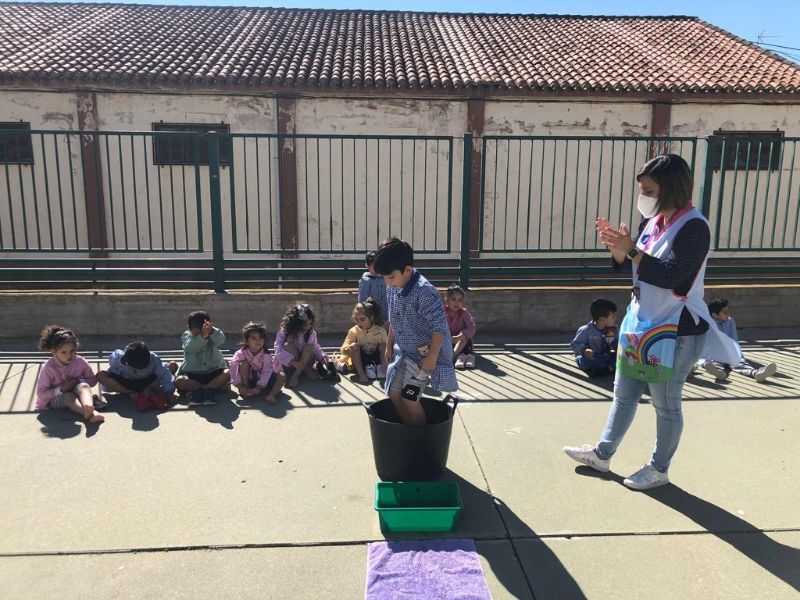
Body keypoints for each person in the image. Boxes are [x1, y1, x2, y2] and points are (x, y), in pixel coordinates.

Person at [563, 154, 740, 490]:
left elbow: (673, 276)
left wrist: (631, 251)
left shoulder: (695, 227)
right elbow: (635, 263)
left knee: (666, 404)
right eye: (641, 189)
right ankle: (602, 454)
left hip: (678, 330)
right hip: (641, 323)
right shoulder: (653, 220)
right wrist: (618, 250)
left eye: (649, 190)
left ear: (670, 188)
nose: (642, 196)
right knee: (623, 394)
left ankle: (659, 469)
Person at [374, 237, 458, 426]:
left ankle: (421, 436)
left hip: (426, 355)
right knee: (394, 393)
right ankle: (409, 430)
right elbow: (394, 318)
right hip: (405, 352)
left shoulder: (424, 292)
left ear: (407, 270)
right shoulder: (393, 287)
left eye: (391, 277)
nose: (387, 282)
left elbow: (439, 328)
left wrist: (432, 358)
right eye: (384, 277)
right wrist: (388, 346)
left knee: (410, 398)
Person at [36, 325, 105, 424]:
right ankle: (91, 413)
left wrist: (78, 381)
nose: (69, 355)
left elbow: (92, 380)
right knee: (69, 397)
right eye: (63, 352)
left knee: (84, 386)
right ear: (54, 352)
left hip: (77, 392)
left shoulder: (80, 361)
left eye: (72, 351)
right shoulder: (48, 368)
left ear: (76, 348)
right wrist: (62, 389)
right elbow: (42, 394)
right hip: (56, 398)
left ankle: (88, 405)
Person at [699, 298, 777, 383]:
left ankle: (756, 374)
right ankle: (719, 373)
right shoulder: (708, 323)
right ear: (715, 315)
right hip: (714, 353)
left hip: (730, 351)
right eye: (725, 312)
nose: (728, 314)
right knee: (714, 362)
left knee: (740, 363)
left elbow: (734, 340)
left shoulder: (730, 321)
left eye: (728, 311)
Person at [96, 341, 176, 410]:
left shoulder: (154, 358)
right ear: (127, 362)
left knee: (172, 365)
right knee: (100, 375)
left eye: (145, 367)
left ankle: (147, 393)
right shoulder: (118, 358)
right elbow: (111, 370)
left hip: (148, 382)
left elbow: (165, 376)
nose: (142, 371)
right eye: (137, 368)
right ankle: (132, 393)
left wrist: (166, 392)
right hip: (125, 383)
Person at [274, 303, 339, 388]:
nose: (307, 327)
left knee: (309, 348)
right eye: (304, 325)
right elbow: (278, 351)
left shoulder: (311, 333)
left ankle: (298, 372)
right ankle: (299, 372)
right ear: (295, 323)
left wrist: (322, 357)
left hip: (305, 360)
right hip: (290, 364)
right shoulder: (284, 333)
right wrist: (293, 362)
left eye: (309, 324)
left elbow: (316, 348)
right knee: (287, 345)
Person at [174, 311, 230, 407]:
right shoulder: (186, 336)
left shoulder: (213, 332)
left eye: (203, 331)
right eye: (198, 333)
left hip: (214, 371)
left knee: (228, 372)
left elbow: (220, 340)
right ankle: (204, 389)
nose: (202, 333)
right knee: (179, 381)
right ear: (189, 328)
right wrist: (202, 337)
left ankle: (209, 388)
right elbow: (191, 348)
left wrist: (211, 332)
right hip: (194, 374)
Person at [229, 321, 285, 404]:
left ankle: (271, 395)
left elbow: (267, 371)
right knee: (243, 364)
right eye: (253, 338)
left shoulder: (266, 355)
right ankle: (246, 389)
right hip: (248, 380)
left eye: (261, 338)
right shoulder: (241, 353)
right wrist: (239, 386)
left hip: (263, 382)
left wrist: (259, 387)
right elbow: (233, 368)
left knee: (282, 375)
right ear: (246, 341)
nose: (258, 341)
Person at [335, 298, 388, 384]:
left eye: (362, 319)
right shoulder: (353, 331)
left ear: (371, 318)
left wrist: (386, 362)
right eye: (356, 320)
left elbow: (386, 349)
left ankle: (383, 368)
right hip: (361, 359)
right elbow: (343, 349)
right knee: (354, 346)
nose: (359, 323)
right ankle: (362, 374)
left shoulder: (380, 330)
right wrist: (348, 349)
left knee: (384, 345)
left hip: (376, 358)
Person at [570, 298, 618, 377]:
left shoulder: (613, 329)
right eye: (612, 317)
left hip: (605, 356)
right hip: (592, 357)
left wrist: (619, 351)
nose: (615, 318)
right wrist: (584, 350)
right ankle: (607, 369)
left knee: (619, 359)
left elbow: (616, 344)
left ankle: (604, 370)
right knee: (583, 360)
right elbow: (575, 344)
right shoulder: (586, 330)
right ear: (602, 319)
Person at [445, 284, 477, 370]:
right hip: (448, 341)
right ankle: (457, 356)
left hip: (463, 344)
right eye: (453, 299)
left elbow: (472, 327)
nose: (457, 303)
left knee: (464, 337)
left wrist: (460, 336)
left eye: (460, 300)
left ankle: (454, 356)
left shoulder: (464, 313)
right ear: (447, 300)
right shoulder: (442, 312)